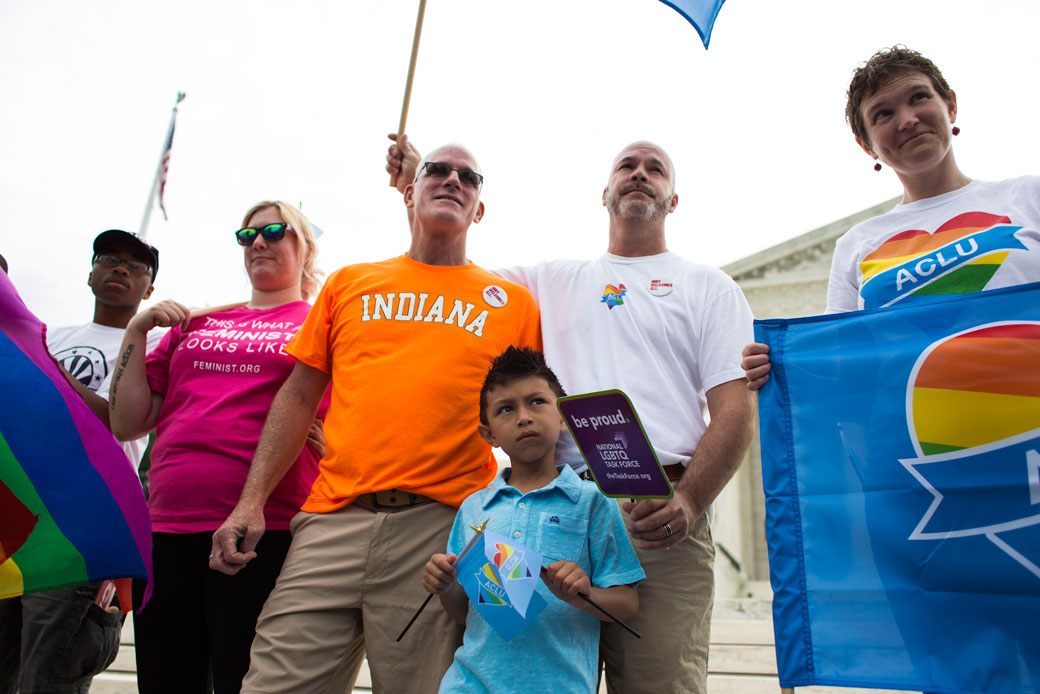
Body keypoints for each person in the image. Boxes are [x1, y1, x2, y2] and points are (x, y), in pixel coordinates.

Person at [388, 137, 756, 694]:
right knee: (524, 679)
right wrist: (416, 191)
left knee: (658, 685)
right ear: (604, 193)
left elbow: (735, 411)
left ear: (673, 199)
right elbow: (450, 274)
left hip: (655, 515)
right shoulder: (550, 281)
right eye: (626, 167)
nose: (639, 174)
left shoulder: (710, 287)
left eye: (655, 169)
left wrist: (690, 501)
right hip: (548, 518)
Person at [210, 146, 541, 694]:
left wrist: (520, 540)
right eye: (437, 170)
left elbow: (530, 424)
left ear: (479, 209)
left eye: (469, 177)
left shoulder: (513, 304)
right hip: (331, 520)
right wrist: (251, 501)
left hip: (447, 529)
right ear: (409, 192)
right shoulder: (349, 283)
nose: (452, 180)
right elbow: (296, 397)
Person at [107, 201, 327, 694]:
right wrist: (137, 332)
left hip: (265, 530)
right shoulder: (198, 322)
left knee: (242, 681)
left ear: (305, 247)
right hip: (167, 525)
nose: (260, 243)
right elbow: (127, 422)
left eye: (275, 231)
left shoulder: (320, 325)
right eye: (247, 236)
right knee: (167, 681)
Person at [741, 45, 1040, 389]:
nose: (908, 119)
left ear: (951, 105)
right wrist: (777, 362)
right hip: (921, 434)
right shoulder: (855, 245)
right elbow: (844, 364)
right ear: (866, 145)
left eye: (918, 97)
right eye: (883, 114)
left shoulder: (1029, 196)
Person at [425, 346, 644, 694]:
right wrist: (445, 585)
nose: (523, 417)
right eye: (506, 409)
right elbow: (465, 612)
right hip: (468, 684)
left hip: (561, 685)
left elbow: (628, 605)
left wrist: (583, 594)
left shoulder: (592, 502)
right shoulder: (473, 508)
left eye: (537, 402)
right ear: (489, 435)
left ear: (563, 418)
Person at [0, 229, 160, 694]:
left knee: (49, 677)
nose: (120, 269)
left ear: (149, 288)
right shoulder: (47, 335)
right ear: (90, 273)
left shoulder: (153, 346)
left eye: (136, 265)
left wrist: (51, 374)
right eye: (109, 258)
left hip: (83, 525)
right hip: (19, 520)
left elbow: (120, 420)